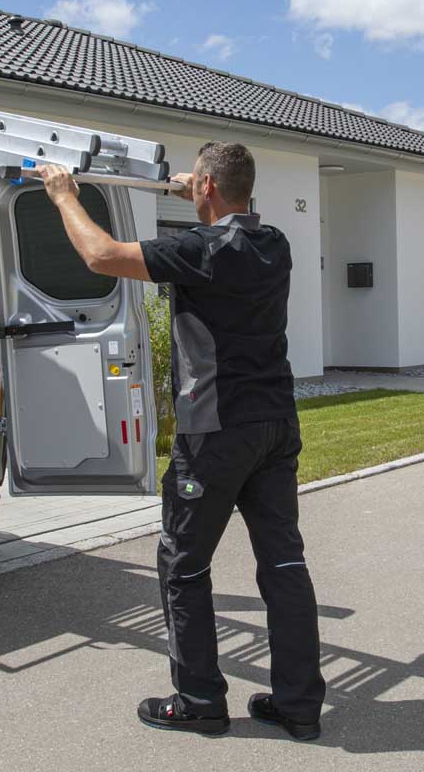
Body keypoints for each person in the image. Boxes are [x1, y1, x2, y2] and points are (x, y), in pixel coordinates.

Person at [33, 142, 326, 739]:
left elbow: (101, 256)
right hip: (275, 425)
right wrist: (202, 192)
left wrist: (64, 194)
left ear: (209, 188)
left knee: (184, 566)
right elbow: (234, 211)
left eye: (201, 185)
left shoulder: (201, 250)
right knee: (284, 565)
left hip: (215, 431)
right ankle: (298, 706)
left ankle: (198, 702)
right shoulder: (274, 244)